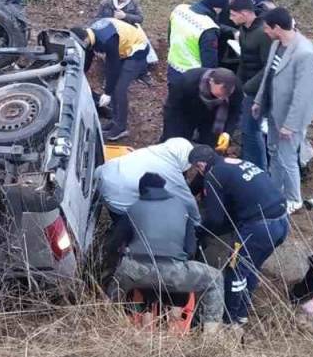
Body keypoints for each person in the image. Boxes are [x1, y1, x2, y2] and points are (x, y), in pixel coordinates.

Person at [188, 148, 289, 325]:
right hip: (281, 221)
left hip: (259, 227)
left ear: (201, 165)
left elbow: (215, 219)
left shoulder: (214, 175)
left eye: (197, 168)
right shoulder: (234, 164)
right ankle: (241, 313)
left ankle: (229, 320)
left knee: (236, 271)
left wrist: (199, 232)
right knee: (251, 268)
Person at [108, 173, 224, 324]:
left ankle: (112, 323)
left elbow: (114, 245)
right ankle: (210, 336)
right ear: (163, 188)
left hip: (136, 272)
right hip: (174, 272)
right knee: (215, 278)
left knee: (113, 291)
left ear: (141, 190)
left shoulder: (132, 210)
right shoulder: (182, 208)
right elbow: (190, 250)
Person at [253, 7, 313, 214]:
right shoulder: (276, 45)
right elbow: (268, 75)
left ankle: (293, 199)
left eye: (266, 27)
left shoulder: (304, 52)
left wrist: (291, 124)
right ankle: (275, 190)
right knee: (273, 151)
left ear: (277, 28)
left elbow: (303, 94)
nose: (264, 31)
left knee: (288, 157)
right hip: (273, 110)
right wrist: (258, 101)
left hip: (291, 116)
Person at [72, 18, 150, 141]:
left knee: (119, 89)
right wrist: (80, 74)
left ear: (85, 39)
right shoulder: (90, 37)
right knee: (114, 86)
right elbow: (88, 57)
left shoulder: (106, 40)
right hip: (123, 50)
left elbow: (113, 67)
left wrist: (107, 93)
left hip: (137, 51)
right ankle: (115, 120)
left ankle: (121, 128)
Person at [228, 0, 274, 169]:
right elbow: (244, 61)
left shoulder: (263, 34)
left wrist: (248, 87)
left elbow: (268, 67)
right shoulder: (243, 30)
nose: (230, 18)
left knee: (251, 130)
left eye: (233, 14)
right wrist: (237, 83)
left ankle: (259, 168)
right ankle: (251, 163)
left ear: (246, 14)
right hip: (247, 87)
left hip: (259, 90)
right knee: (248, 130)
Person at [95, 138, 196, 216]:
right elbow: (187, 201)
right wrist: (196, 222)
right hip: (119, 196)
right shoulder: (170, 172)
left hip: (104, 174)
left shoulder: (153, 151)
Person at [164, 0, 226, 87]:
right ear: (217, 9)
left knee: (173, 99)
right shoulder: (208, 28)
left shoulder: (179, 9)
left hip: (173, 68)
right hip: (193, 77)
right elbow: (209, 64)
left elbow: (169, 36)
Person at [160, 67, 238, 146]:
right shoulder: (186, 82)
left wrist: (227, 132)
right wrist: (171, 135)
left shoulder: (235, 86)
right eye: (219, 94)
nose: (222, 98)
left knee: (210, 145)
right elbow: (173, 111)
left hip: (214, 117)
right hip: (186, 112)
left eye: (227, 95)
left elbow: (234, 111)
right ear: (211, 81)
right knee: (177, 143)